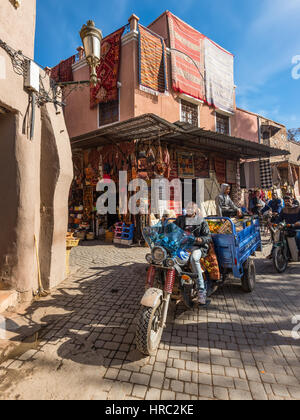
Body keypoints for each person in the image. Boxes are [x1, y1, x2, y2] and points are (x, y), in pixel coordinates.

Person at [175, 202, 211, 306]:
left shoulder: (201, 221)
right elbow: (172, 229)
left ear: (195, 210)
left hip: (197, 247)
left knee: (194, 259)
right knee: (171, 257)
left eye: (192, 208)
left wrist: (200, 239)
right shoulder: (180, 219)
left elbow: (208, 237)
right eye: (188, 207)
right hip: (183, 247)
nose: (189, 209)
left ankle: (201, 291)